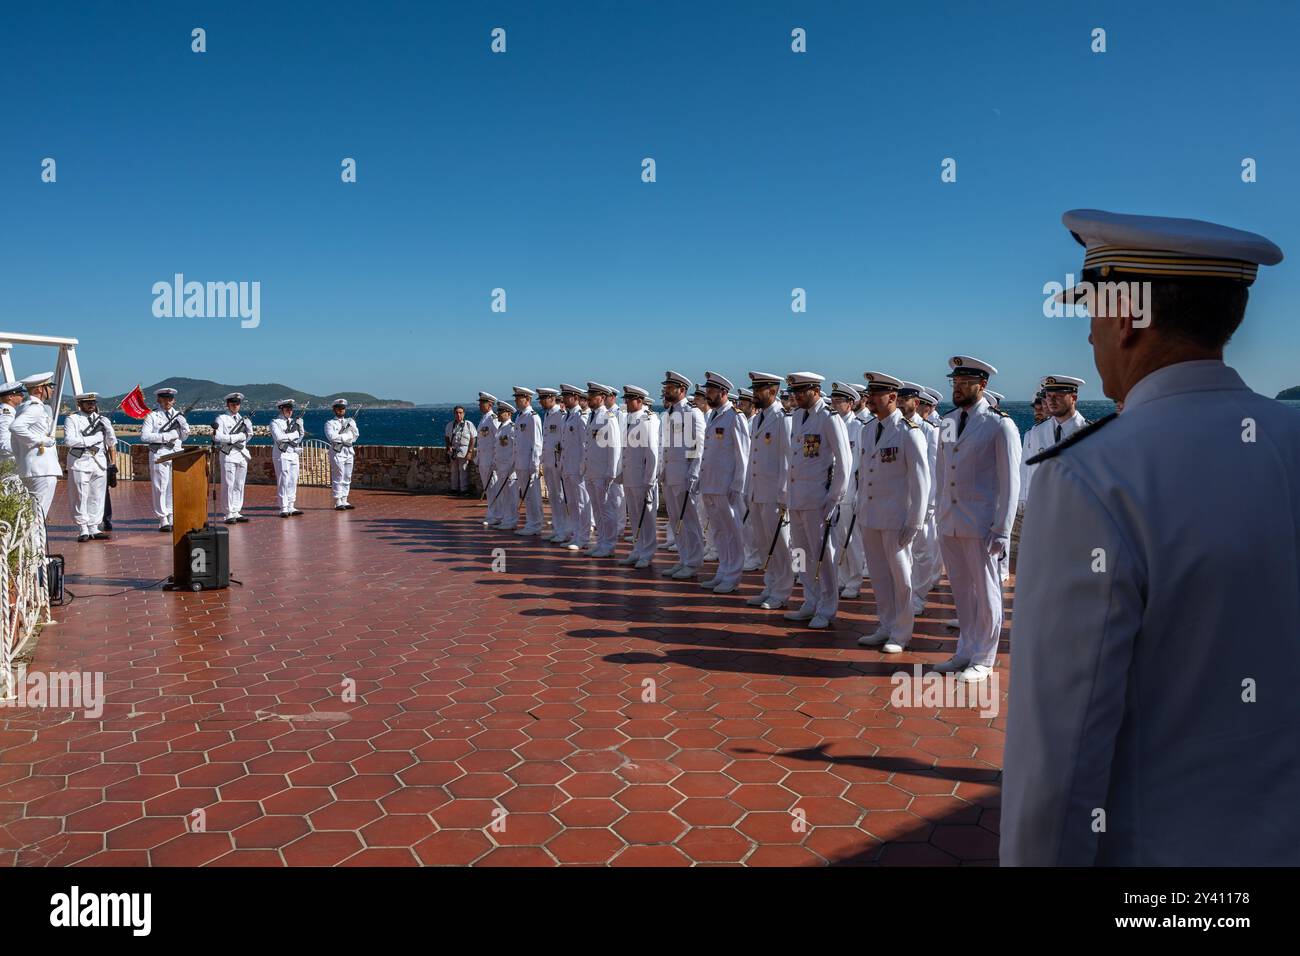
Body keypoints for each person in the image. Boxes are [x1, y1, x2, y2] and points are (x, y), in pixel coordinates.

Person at [1003, 207, 1297, 867]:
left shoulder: (1090, 474)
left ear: (1130, 318)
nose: (1089, 339)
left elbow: (1059, 753)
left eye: (1093, 315)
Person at [934, 357, 1020, 683]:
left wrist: (1003, 529)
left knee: (986, 593)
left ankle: (984, 657)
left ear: (982, 385)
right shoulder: (949, 421)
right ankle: (965, 649)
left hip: (982, 523)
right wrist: (938, 511)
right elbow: (943, 472)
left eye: (964, 383)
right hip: (950, 520)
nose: (957, 388)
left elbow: (1011, 482)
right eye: (954, 383)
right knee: (961, 591)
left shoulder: (1000, 425)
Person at [853, 373, 929, 653]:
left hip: (897, 518)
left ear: (893, 397)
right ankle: (885, 624)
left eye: (877, 393)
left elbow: (921, 480)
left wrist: (915, 521)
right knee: (878, 576)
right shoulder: (867, 429)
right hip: (871, 515)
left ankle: (901, 632)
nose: (870, 398)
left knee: (901, 578)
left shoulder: (910, 432)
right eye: (869, 393)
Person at [783, 373, 851, 630]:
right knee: (800, 554)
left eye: (801, 391)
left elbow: (844, 463)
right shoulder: (798, 417)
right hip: (797, 498)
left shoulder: (829, 418)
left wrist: (833, 499)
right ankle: (809, 600)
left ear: (815, 390)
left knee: (823, 555)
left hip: (818, 500)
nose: (796, 396)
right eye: (794, 392)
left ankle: (827, 606)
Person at [743, 371, 794, 610]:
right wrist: (747, 489)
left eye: (758, 390)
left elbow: (787, 459)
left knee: (780, 545)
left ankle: (782, 591)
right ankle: (769, 585)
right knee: (764, 544)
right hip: (757, 491)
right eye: (754, 390)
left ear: (772, 391)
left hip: (774, 493)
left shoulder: (784, 419)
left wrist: (784, 493)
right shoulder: (757, 419)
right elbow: (752, 457)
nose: (755, 394)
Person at [697, 372, 749, 595]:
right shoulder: (713, 416)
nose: (707, 394)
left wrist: (737, 486)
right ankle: (723, 570)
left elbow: (743, 455)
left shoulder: (735, 417)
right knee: (718, 531)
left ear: (723, 392)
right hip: (711, 484)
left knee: (732, 532)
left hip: (726, 486)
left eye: (710, 390)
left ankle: (732, 575)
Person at [658, 371, 705, 580]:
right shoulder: (668, 414)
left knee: (689, 522)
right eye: (666, 387)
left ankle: (693, 562)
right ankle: (684, 559)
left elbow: (699, 446)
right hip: (670, 475)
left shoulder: (692, 413)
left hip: (684, 476)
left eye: (670, 388)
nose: (666, 391)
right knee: (676, 521)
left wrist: (693, 474)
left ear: (682, 390)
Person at [900, 383, 941, 614]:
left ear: (915, 403)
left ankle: (918, 597)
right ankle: (904, 595)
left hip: (923, 502)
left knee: (923, 553)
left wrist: (929, 504)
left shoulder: (929, 430)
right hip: (899, 501)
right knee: (902, 554)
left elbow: (935, 470)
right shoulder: (896, 428)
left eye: (903, 400)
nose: (898, 404)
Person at [62, 392, 115, 541]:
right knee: (80, 495)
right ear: (80, 404)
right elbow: (69, 441)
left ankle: (94, 526)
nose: (91, 405)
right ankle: (83, 528)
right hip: (80, 461)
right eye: (88, 403)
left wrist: (109, 429)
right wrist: (94, 438)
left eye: (93, 403)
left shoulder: (102, 420)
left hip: (98, 461)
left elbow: (111, 442)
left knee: (97, 496)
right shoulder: (72, 419)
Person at [829, 383, 866, 598]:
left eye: (838, 401)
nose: (834, 404)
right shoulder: (831, 424)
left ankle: (854, 582)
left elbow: (864, 465)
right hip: (831, 494)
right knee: (837, 540)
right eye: (832, 401)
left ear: (850, 404)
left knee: (852, 541)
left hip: (850, 494)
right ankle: (842, 578)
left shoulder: (859, 427)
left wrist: (859, 493)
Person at [617, 385, 660, 568]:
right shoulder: (630, 419)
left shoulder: (647, 420)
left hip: (642, 478)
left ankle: (647, 552)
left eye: (629, 399)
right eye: (625, 399)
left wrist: (650, 480)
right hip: (630, 476)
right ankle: (637, 548)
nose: (625, 402)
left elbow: (652, 452)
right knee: (634, 516)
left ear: (639, 401)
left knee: (646, 517)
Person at [140, 386, 190, 531]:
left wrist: (183, 426)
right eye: (164, 398)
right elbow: (144, 436)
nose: (167, 401)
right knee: (160, 487)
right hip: (160, 453)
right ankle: (163, 518)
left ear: (173, 400)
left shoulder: (179, 416)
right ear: (158, 400)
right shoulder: (152, 416)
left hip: (175, 453)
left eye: (169, 399)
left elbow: (184, 436)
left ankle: (172, 515)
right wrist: (165, 436)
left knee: (173, 487)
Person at [582, 383, 621, 557]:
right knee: (597, 510)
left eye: (593, 395)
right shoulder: (592, 417)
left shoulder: (608, 417)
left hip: (603, 472)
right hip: (591, 470)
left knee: (607, 510)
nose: (589, 399)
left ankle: (609, 545)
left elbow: (614, 447)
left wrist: (611, 473)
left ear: (602, 398)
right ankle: (601, 541)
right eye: (589, 395)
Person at [557, 384, 589, 551]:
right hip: (567, 466)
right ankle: (575, 535)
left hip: (578, 467)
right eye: (564, 396)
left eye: (567, 396)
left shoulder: (581, 416)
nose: (564, 399)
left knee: (582, 503)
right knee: (572, 503)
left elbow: (585, 443)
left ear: (576, 398)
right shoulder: (566, 417)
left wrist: (584, 465)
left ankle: (583, 537)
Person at [508, 387, 544, 535]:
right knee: (527, 495)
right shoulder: (520, 416)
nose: (516, 400)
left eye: (519, 398)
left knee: (533, 495)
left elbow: (537, 443)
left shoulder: (532, 417)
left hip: (529, 463)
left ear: (527, 399)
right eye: (516, 398)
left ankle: (535, 524)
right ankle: (531, 523)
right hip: (521, 462)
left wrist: (534, 464)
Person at [213, 392, 252, 524]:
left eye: (237, 403)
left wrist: (248, 429)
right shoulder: (222, 419)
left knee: (239, 484)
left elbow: (248, 437)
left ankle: (236, 510)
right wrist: (235, 437)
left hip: (241, 454)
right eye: (233, 403)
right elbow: (217, 437)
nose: (235, 406)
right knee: (228, 484)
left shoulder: (243, 419)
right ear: (228, 404)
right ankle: (228, 512)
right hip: (229, 454)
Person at [536, 388, 565, 537]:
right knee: (553, 496)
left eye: (542, 399)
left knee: (560, 496)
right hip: (548, 461)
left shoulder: (560, 415)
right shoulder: (548, 415)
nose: (540, 402)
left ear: (551, 398)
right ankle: (557, 527)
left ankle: (563, 529)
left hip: (557, 462)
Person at [270, 399, 305, 517]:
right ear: (281, 409)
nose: (289, 411)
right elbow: (279, 438)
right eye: (287, 409)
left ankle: (291, 505)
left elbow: (299, 439)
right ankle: (283, 507)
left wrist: (301, 428)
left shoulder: (294, 422)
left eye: (291, 409)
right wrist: (294, 434)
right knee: (283, 480)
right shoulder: (275, 422)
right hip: (282, 454)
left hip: (293, 454)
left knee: (293, 480)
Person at [325, 399, 359, 511]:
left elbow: (355, 436)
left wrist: (350, 430)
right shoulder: (330, 423)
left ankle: (344, 499)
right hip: (337, 452)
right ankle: (338, 501)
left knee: (347, 477)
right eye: (339, 408)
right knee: (338, 476)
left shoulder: (350, 422)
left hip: (348, 451)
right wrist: (347, 435)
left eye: (343, 408)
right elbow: (332, 438)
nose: (341, 410)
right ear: (334, 409)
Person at [491, 401, 518, 529]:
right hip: (501, 466)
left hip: (509, 468)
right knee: (504, 495)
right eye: (498, 412)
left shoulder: (512, 428)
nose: (498, 414)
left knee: (511, 496)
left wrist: (512, 466)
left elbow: (515, 448)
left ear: (509, 414)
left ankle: (512, 520)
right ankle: (506, 519)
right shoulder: (501, 428)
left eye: (501, 412)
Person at [475, 392, 499, 526]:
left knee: (493, 487)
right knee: (488, 489)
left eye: (482, 402)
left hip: (491, 460)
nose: (479, 405)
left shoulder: (493, 419)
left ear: (490, 404)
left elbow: (498, 439)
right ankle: (491, 514)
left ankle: (496, 515)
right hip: (483, 459)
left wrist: (495, 459)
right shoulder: (484, 418)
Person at [444, 405, 474, 496]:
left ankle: (464, 490)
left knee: (463, 470)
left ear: (464, 414)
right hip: (453, 449)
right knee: (454, 470)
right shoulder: (450, 425)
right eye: (456, 413)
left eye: (460, 413)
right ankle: (454, 489)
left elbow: (473, 438)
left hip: (464, 449)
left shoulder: (468, 424)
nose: (458, 414)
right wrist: (448, 447)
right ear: (454, 414)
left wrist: (470, 451)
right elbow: (447, 437)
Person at [0, 380, 24, 466]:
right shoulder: (6, 414)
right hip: (9, 460)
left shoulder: (7, 411)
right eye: (19, 394)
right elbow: (4, 441)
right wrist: (23, 449)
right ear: (10, 396)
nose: (23, 396)